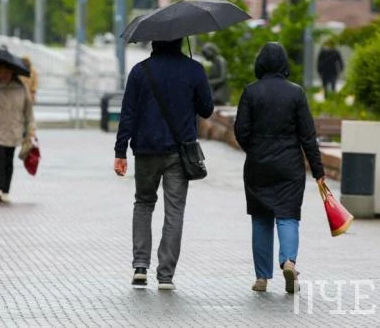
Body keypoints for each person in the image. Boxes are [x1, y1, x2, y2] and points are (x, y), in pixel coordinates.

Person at [113, 39, 214, 291]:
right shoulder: (194, 69)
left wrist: (120, 151)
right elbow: (207, 109)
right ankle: (166, 275)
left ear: (154, 42)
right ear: (180, 41)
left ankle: (139, 267)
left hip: (146, 150)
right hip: (179, 153)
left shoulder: (140, 71)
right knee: (174, 211)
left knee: (144, 203)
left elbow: (128, 113)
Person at [233, 42, 325, 294]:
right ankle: (288, 262)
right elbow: (308, 135)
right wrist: (318, 170)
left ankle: (262, 278)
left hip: (258, 166)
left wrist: (254, 150)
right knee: (288, 216)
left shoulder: (251, 92)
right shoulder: (296, 93)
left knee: (261, 219)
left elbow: (240, 130)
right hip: (289, 166)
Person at [0, 63, 35, 204]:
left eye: (7, 72)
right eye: (1, 72)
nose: (4, 75)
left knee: (8, 160)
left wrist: (31, 129)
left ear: (12, 72)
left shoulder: (21, 88)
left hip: (14, 128)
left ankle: (5, 191)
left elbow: (28, 111)